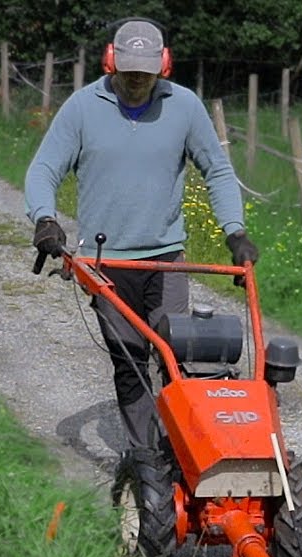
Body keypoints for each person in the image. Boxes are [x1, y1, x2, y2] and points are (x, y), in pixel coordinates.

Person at [24, 18, 258, 456]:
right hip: (106, 263)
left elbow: (218, 170)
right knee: (129, 361)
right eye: (127, 71)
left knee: (179, 358)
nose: (135, 82)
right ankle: (145, 461)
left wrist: (235, 232)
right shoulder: (82, 107)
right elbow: (44, 169)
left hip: (166, 258)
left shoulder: (184, 107)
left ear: (163, 66)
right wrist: (44, 218)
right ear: (111, 62)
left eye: (144, 74)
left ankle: (182, 456)